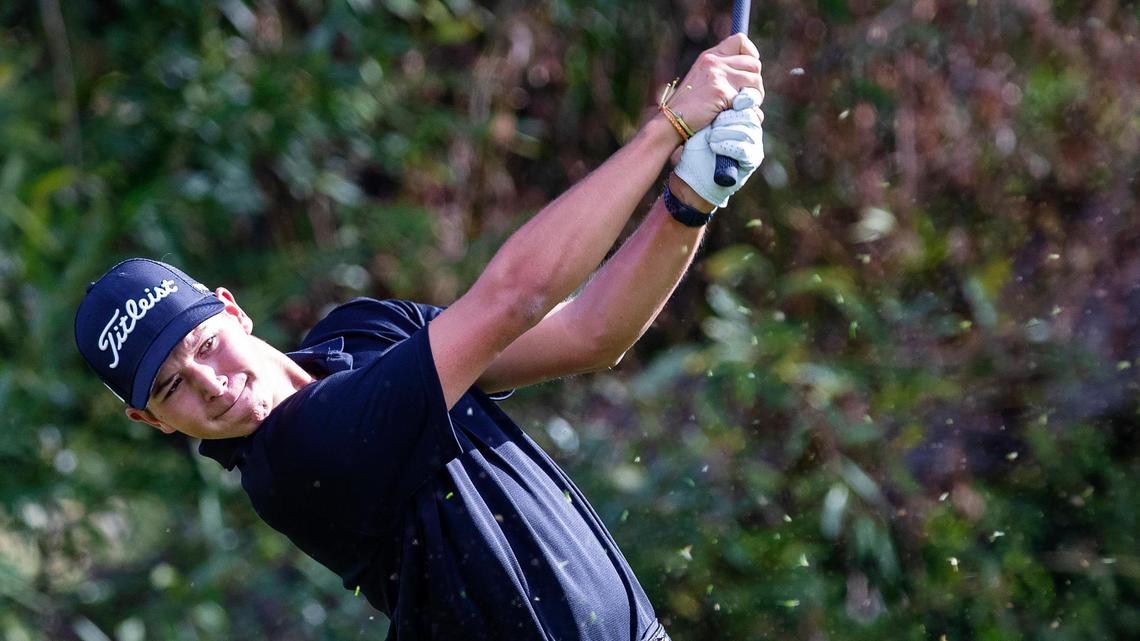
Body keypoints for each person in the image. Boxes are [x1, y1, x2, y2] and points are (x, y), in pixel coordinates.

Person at [74, 35, 765, 641]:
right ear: (152, 420)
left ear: (231, 309)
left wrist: (689, 199)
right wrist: (667, 129)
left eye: (204, 346)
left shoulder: (361, 333)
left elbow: (591, 333)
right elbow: (514, 298)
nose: (211, 383)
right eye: (171, 387)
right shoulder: (296, 456)